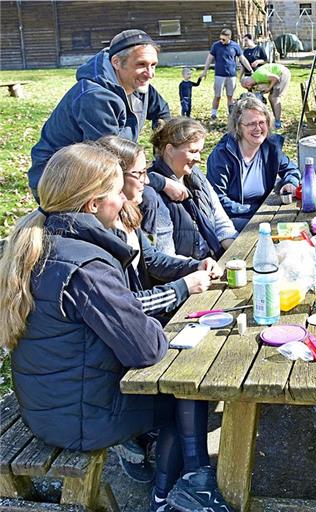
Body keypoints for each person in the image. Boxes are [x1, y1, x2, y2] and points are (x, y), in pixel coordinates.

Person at [0, 144, 236, 512]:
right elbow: (146, 349)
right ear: (94, 204)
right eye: (116, 192)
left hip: (46, 403)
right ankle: (172, 494)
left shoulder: (42, 238)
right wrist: (160, 321)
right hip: (77, 417)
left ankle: (189, 481)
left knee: (180, 381)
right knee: (186, 388)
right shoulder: (86, 266)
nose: (124, 200)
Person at [94, 135, 223, 483]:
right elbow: (124, 307)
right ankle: (171, 473)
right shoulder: (100, 233)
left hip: (135, 327)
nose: (148, 180)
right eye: (140, 173)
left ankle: (187, 476)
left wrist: (193, 266)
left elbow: (149, 259)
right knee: (190, 378)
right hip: (114, 349)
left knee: (204, 343)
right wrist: (181, 288)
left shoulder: (127, 213)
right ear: (115, 178)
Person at [27, 29, 171, 202]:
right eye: (141, 65)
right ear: (116, 62)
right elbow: (110, 158)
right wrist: (160, 181)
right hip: (59, 180)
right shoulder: (95, 96)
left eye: (153, 65)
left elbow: (162, 112)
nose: (150, 73)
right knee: (148, 201)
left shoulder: (138, 84)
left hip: (102, 170)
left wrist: (163, 152)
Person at [148, 117, 238, 259]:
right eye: (193, 151)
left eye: (200, 151)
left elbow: (221, 223)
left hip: (213, 260)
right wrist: (203, 267)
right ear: (170, 150)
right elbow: (166, 256)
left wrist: (236, 253)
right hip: (189, 274)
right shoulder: (154, 194)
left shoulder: (197, 177)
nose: (199, 158)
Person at [206, 95, 300, 231]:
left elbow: (292, 170)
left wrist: (290, 183)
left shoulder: (271, 147)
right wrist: (253, 211)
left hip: (261, 214)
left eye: (262, 122)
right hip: (231, 219)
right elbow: (216, 199)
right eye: (251, 124)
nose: (258, 128)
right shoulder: (223, 155)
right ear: (238, 127)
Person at [199, 28, 253, 120]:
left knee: (230, 96)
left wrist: (251, 70)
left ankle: (231, 114)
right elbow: (209, 58)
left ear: (229, 37)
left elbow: (242, 59)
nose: (221, 41)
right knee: (218, 95)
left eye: (224, 39)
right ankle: (214, 114)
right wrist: (205, 71)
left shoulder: (235, 46)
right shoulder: (216, 46)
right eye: (221, 38)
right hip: (219, 75)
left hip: (231, 75)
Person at [240, 63, 292, 129]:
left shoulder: (259, 76)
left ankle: (278, 123)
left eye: (247, 87)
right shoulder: (256, 79)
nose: (249, 88)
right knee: (271, 97)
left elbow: (275, 78)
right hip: (278, 74)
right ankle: (276, 118)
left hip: (282, 73)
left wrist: (269, 88)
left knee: (274, 98)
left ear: (247, 83)